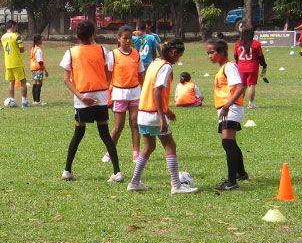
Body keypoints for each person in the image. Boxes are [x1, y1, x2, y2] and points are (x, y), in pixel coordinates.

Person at [127, 38, 199, 194]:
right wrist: (162, 116)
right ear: (174, 53)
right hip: (154, 114)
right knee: (170, 145)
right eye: (178, 56)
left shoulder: (154, 63)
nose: (178, 59)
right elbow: (158, 91)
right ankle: (176, 185)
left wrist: (167, 111)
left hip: (143, 112)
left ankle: (134, 182)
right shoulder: (166, 67)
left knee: (148, 147)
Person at [60, 20, 123, 183]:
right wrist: (104, 86)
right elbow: (110, 71)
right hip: (100, 97)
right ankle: (117, 172)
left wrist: (81, 97)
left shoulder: (71, 52)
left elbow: (66, 80)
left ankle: (67, 170)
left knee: (78, 133)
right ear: (93, 34)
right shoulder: (103, 50)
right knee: (105, 134)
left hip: (82, 98)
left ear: (78, 35)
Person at [207, 39, 248, 191]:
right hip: (227, 108)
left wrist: (227, 106)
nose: (209, 56)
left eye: (212, 52)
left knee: (227, 142)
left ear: (222, 52)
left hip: (230, 109)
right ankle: (241, 173)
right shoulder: (223, 68)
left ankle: (231, 182)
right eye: (208, 53)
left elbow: (240, 87)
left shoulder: (229, 67)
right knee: (231, 142)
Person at [102, 25, 144, 164]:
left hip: (135, 93)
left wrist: (144, 90)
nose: (127, 41)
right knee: (118, 126)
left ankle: (136, 153)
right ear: (118, 39)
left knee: (135, 123)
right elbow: (108, 76)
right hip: (119, 93)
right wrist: (105, 93)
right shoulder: (113, 54)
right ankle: (109, 151)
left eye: (129, 38)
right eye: (124, 38)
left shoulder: (136, 53)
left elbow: (140, 73)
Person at [233, 27, 267, 109]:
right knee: (251, 85)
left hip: (241, 67)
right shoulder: (256, 44)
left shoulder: (237, 43)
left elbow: (235, 56)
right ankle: (251, 104)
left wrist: (239, 63)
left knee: (242, 86)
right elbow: (260, 56)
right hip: (252, 67)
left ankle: (239, 103)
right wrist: (264, 65)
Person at [0, 20, 29, 108]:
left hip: (8, 62)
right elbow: (22, 49)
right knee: (23, 81)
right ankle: (24, 102)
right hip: (16, 62)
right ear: (12, 26)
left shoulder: (3, 37)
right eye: (16, 27)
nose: (16, 28)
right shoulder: (16, 36)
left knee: (11, 82)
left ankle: (11, 101)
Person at [29, 34, 49, 105]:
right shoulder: (38, 50)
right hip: (38, 69)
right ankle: (37, 101)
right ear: (38, 41)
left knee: (35, 83)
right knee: (39, 84)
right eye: (41, 39)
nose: (42, 40)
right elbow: (40, 61)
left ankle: (35, 100)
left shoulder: (33, 48)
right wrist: (45, 70)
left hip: (33, 68)